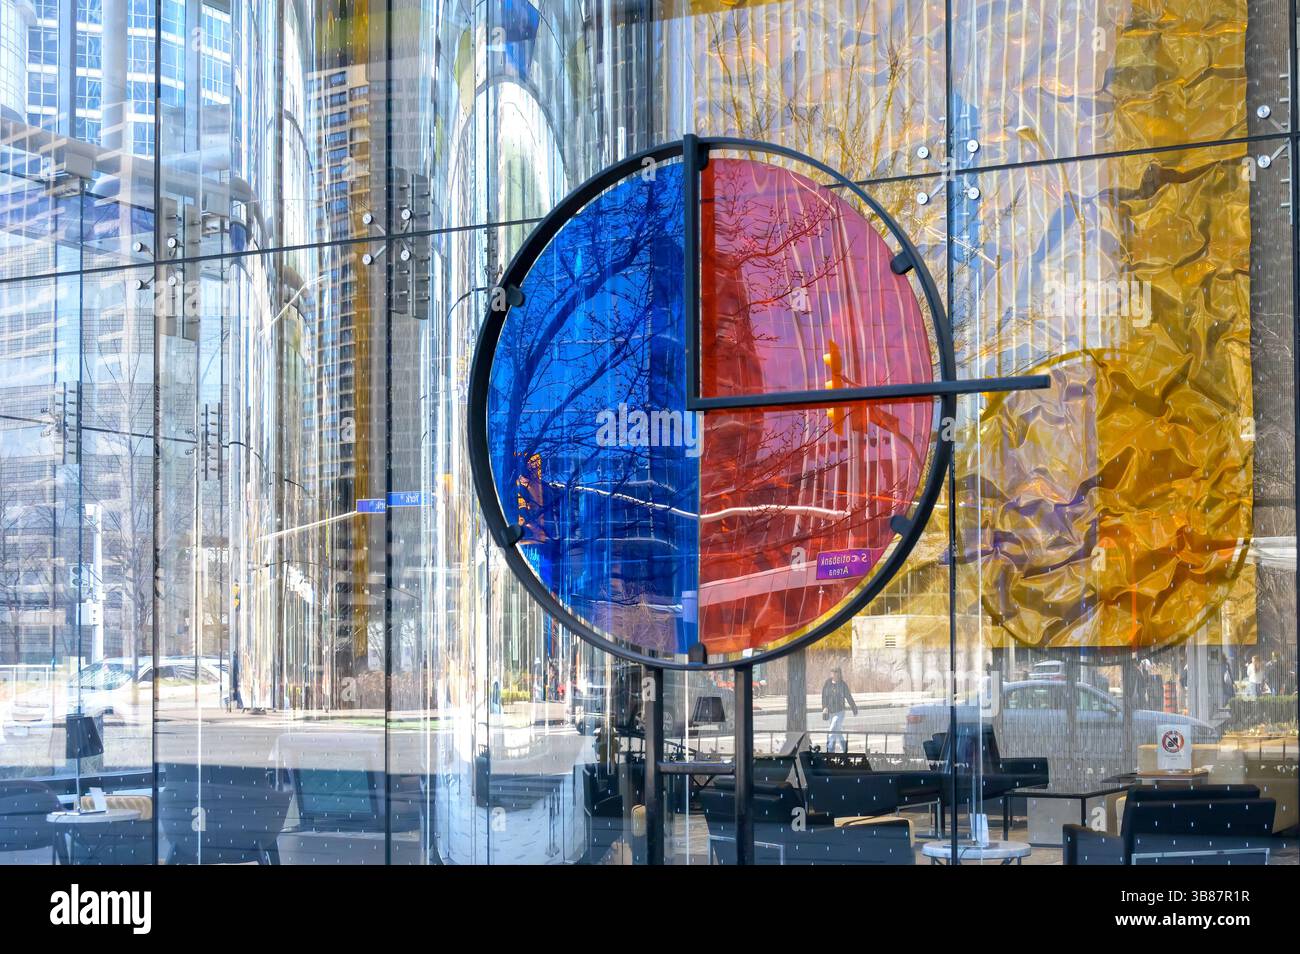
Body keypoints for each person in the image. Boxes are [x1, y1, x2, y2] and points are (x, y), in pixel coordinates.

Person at [820, 667, 858, 753]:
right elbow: (824, 696)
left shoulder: (842, 684)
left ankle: (830, 750)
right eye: (832, 672)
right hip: (830, 711)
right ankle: (844, 748)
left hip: (840, 711)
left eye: (836, 672)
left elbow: (848, 696)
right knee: (837, 731)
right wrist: (824, 707)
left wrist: (854, 708)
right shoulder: (827, 683)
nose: (834, 674)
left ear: (839, 674)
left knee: (833, 728)